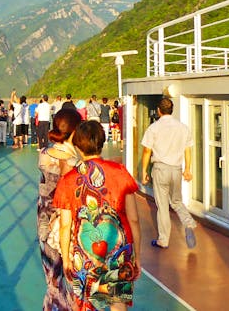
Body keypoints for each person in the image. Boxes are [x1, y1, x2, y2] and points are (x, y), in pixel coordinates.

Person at [55, 120, 141, 310]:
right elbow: (133, 218)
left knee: (85, 302)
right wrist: (137, 256)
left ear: (77, 146)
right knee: (117, 302)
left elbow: (64, 225)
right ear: (102, 142)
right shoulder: (120, 172)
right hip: (120, 250)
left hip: (84, 252)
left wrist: (67, 260)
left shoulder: (68, 180)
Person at [38, 108, 83, 311]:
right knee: (74, 278)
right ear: (74, 131)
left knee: (52, 277)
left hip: (44, 218)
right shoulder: (74, 161)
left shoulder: (45, 154)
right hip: (67, 222)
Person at [141, 97, 197, 249]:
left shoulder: (154, 128)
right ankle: (189, 223)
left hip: (160, 169)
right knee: (177, 202)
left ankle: (163, 240)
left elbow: (147, 150)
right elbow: (187, 149)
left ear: (158, 111)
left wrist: (144, 171)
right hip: (176, 169)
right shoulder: (183, 128)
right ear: (172, 110)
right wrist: (187, 169)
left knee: (163, 206)